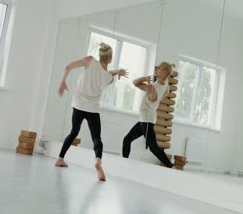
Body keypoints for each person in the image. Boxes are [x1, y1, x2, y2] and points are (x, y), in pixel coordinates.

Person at [55, 42, 128, 181]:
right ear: (110, 58)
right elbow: (107, 73)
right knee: (96, 138)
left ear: (100, 55)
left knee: (73, 132)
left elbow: (68, 67)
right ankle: (98, 161)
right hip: (92, 109)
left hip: (78, 105)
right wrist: (118, 72)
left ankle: (60, 158)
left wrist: (62, 81)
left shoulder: (89, 61)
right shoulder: (108, 78)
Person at [122, 62, 177, 169]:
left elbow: (135, 82)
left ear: (164, 71)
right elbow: (167, 92)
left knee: (153, 147)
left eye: (159, 68)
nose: (156, 68)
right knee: (127, 139)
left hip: (146, 121)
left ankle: (171, 166)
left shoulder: (153, 88)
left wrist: (145, 78)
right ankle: (124, 162)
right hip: (146, 119)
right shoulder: (165, 84)